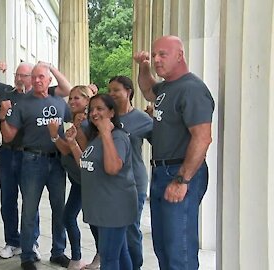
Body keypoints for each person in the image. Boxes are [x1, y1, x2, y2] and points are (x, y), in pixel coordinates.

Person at [134, 35, 215, 270]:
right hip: (162, 172)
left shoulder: (192, 89)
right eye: (155, 54)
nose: (157, 59)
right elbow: (147, 89)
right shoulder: (167, 86)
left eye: (163, 54)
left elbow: (202, 137)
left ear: (180, 56)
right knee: (163, 247)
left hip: (180, 172)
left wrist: (182, 179)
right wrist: (144, 65)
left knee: (180, 251)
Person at [0, 60, 71, 259]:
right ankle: (25, 252)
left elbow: (69, 91)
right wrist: (2, 117)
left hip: (56, 162)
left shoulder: (57, 98)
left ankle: (58, 251)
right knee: (27, 207)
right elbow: (9, 135)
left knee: (59, 208)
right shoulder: (18, 99)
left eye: (40, 77)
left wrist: (51, 66)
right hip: (30, 158)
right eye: (29, 76)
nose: (35, 80)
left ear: (48, 80)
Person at [66, 94, 137, 270]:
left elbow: (113, 168)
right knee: (120, 253)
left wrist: (106, 133)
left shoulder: (117, 137)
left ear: (112, 112)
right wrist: (72, 143)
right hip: (101, 205)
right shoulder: (96, 137)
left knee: (109, 258)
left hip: (114, 206)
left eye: (100, 109)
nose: (94, 113)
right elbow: (86, 164)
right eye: (92, 109)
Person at [47, 85, 95, 270]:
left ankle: (79, 258)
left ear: (87, 101)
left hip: (85, 181)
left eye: (78, 98)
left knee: (74, 218)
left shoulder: (83, 125)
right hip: (77, 181)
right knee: (78, 218)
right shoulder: (78, 121)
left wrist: (53, 135)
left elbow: (71, 151)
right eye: (71, 98)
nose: (72, 102)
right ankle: (85, 257)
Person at [108, 76, 153, 270]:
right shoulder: (107, 117)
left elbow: (161, 144)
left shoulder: (142, 119)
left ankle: (135, 266)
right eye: (109, 91)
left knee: (131, 228)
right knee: (114, 229)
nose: (112, 94)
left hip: (135, 182)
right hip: (110, 182)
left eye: (116, 90)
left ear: (128, 91)